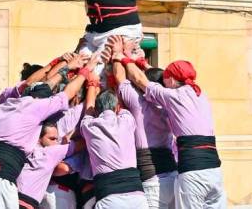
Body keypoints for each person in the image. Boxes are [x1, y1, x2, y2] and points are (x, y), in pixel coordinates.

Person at [0, 52, 99, 209]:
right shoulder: (36, 107)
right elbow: (67, 93)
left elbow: (37, 84)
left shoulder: (8, 103)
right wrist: (86, 72)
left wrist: (65, 65)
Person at [122, 58, 226, 208]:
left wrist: (124, 58)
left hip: (194, 173)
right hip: (215, 172)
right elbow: (163, 77)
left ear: (170, 79)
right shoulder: (201, 94)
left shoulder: (174, 97)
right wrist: (144, 64)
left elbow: (139, 79)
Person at [111, 38, 176, 209]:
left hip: (152, 179)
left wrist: (118, 54)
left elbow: (119, 77)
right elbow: (153, 78)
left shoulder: (138, 102)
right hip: (173, 176)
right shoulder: (170, 101)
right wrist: (139, 61)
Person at [79, 84, 149, 208]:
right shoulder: (127, 120)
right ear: (117, 108)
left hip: (109, 199)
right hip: (137, 197)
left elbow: (89, 108)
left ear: (96, 110)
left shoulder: (88, 126)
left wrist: (91, 85)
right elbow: (121, 106)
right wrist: (114, 85)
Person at [16, 122, 82, 209]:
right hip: (28, 201)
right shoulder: (48, 153)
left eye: (57, 140)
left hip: (13, 197)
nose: (55, 143)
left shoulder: (24, 149)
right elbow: (81, 145)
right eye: (52, 139)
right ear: (39, 139)